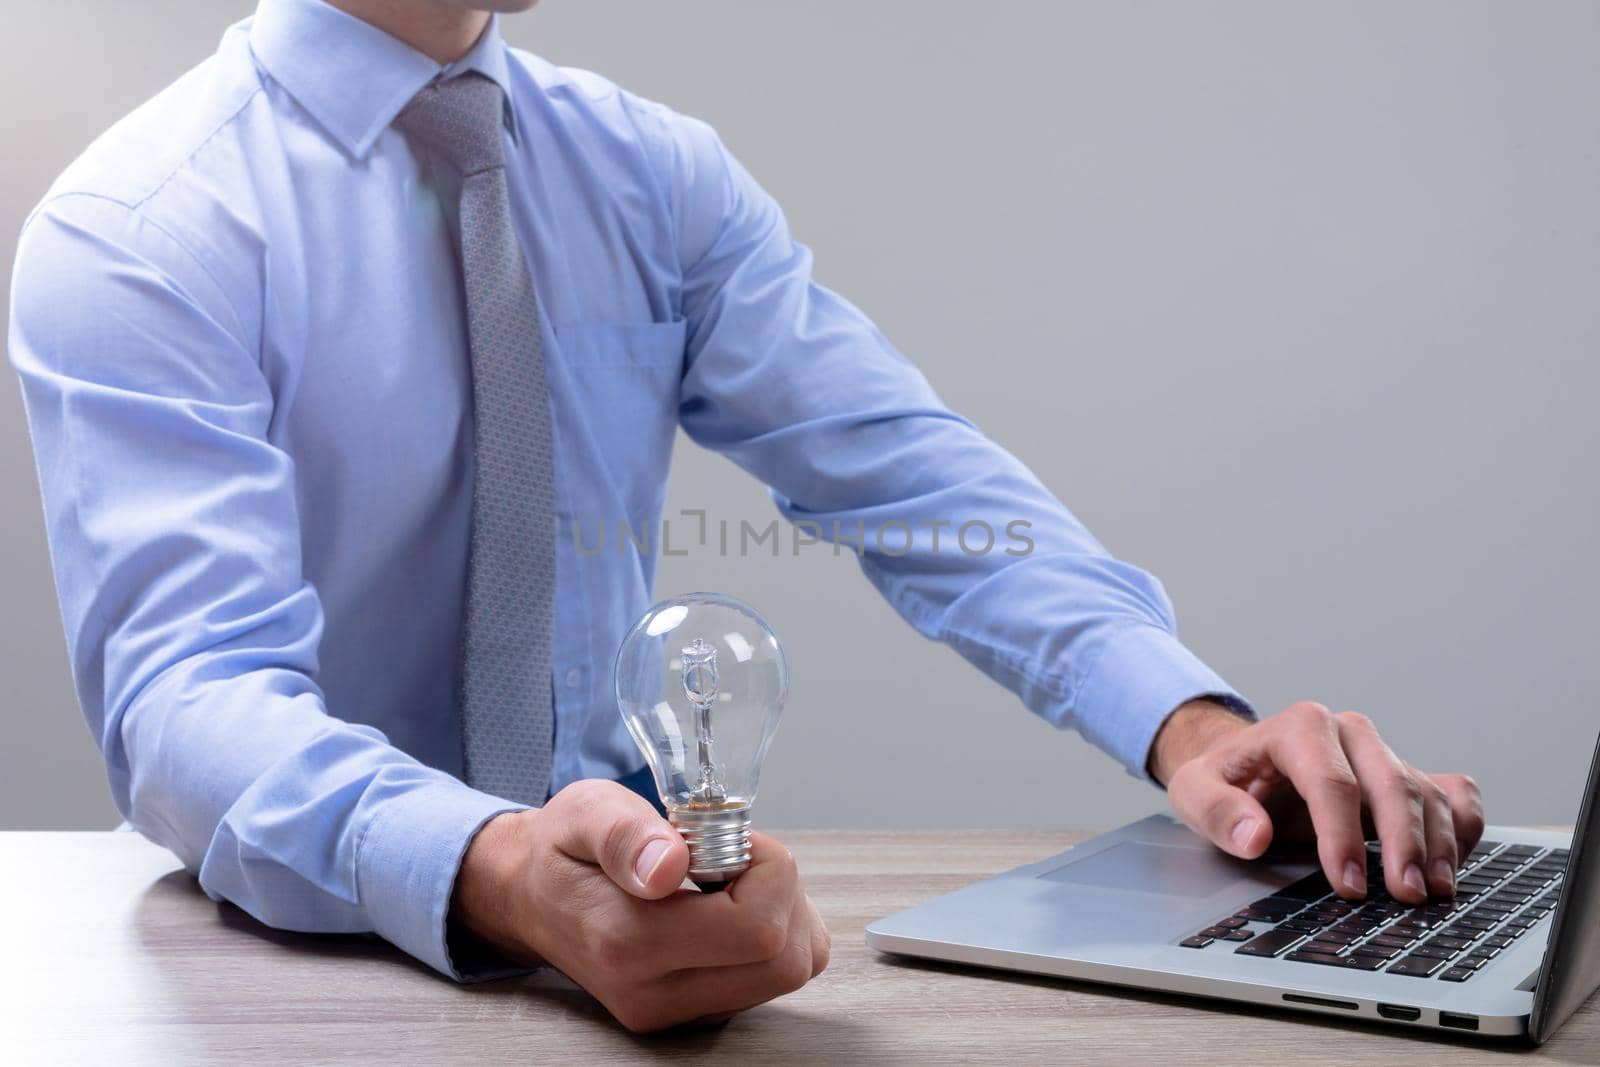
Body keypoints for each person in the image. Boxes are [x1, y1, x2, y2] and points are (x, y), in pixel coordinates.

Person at [8, 0, 1483, 1034]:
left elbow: (910, 477)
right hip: (292, 986)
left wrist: (1191, 724)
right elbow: (187, 703)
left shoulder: (650, 177)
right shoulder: (138, 233)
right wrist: (500, 872)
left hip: (646, 954)